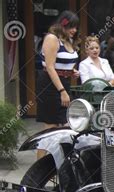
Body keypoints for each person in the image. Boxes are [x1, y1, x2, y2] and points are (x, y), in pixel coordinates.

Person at [36, 10, 80, 159]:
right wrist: (62, 90)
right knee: (50, 129)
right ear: (63, 25)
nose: (74, 30)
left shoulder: (68, 40)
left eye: (76, 27)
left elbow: (62, 63)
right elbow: (49, 66)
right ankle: (39, 173)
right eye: (71, 27)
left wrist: (70, 71)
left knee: (65, 127)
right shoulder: (52, 38)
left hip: (64, 83)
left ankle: (59, 167)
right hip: (50, 85)